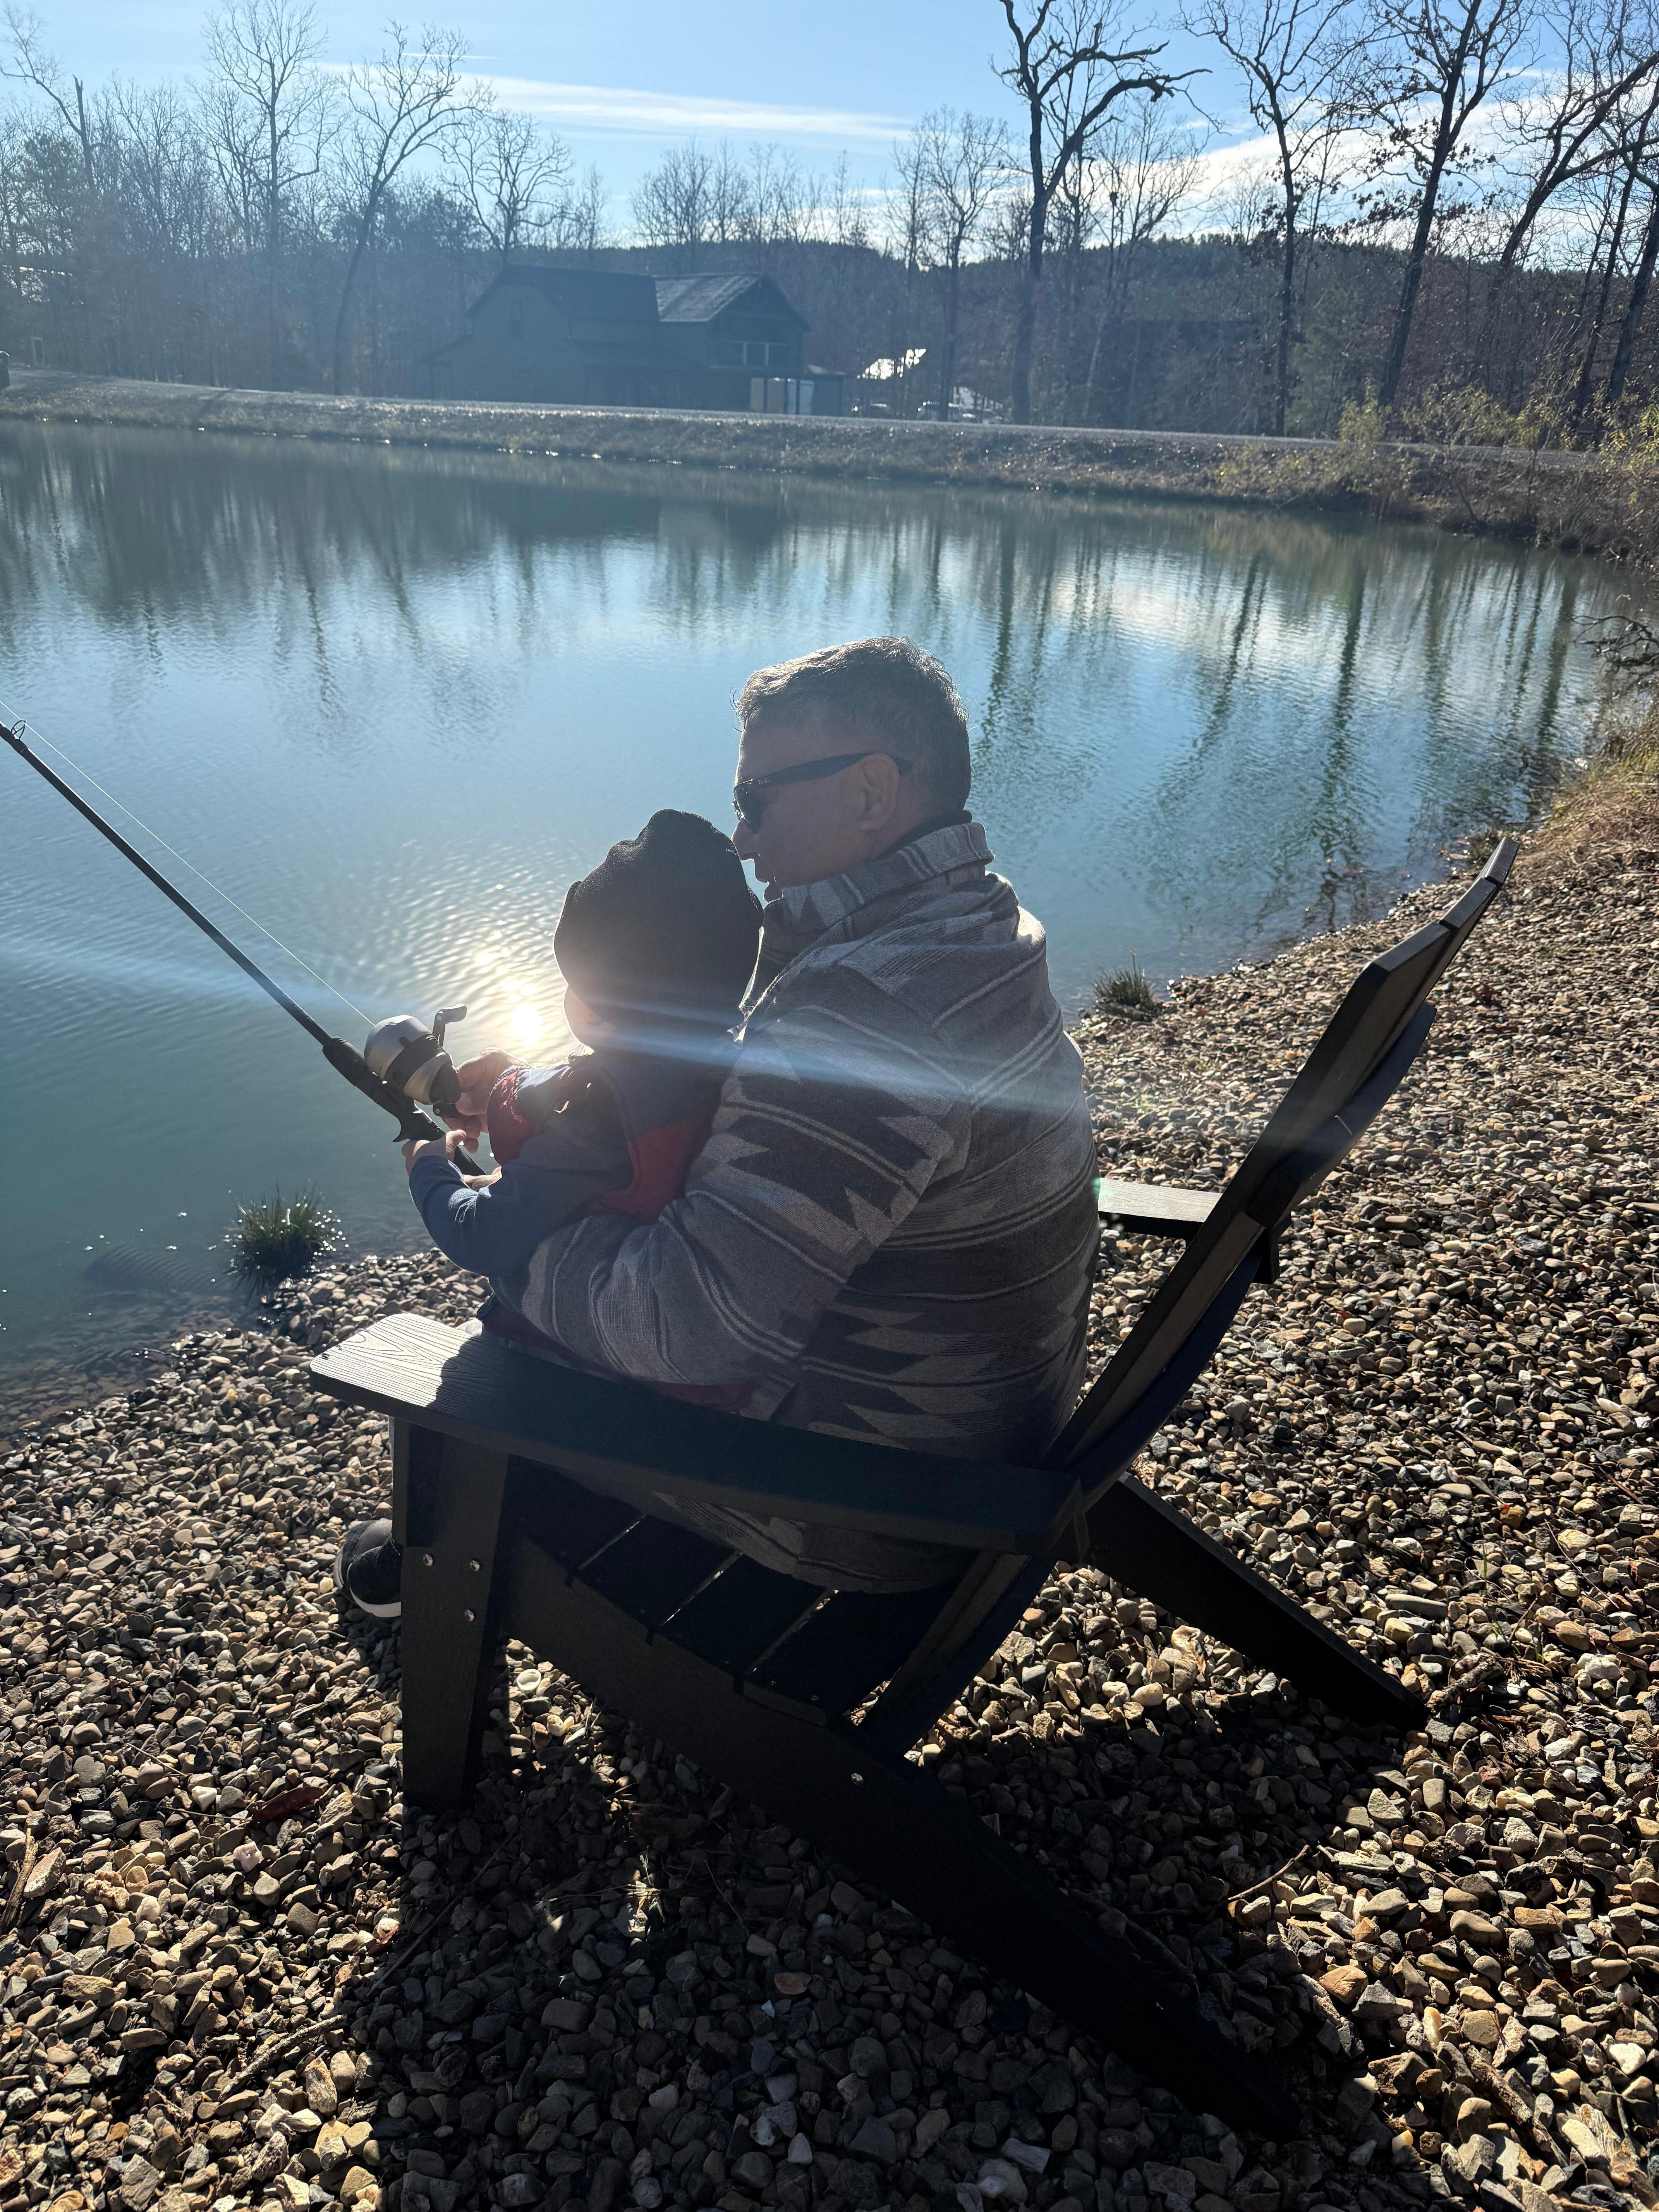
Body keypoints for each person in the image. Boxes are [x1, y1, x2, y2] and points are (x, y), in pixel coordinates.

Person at [342, 636, 1100, 1612]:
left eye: (758, 801)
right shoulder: (975, 929)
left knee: (468, 1375)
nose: (741, 841)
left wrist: (510, 1236)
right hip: (983, 1428)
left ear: (873, 792)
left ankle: (432, 1551)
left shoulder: (863, 1014)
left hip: (871, 1504)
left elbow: (691, 1331)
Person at [333, 811, 761, 1616]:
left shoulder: (597, 1111)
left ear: (597, 1002)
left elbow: (480, 1234)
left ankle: (414, 1560)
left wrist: (428, 1167)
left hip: (602, 1373)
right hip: (688, 1358)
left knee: (454, 1376)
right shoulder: (720, 1054)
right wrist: (499, 1100)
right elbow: (584, 1097)